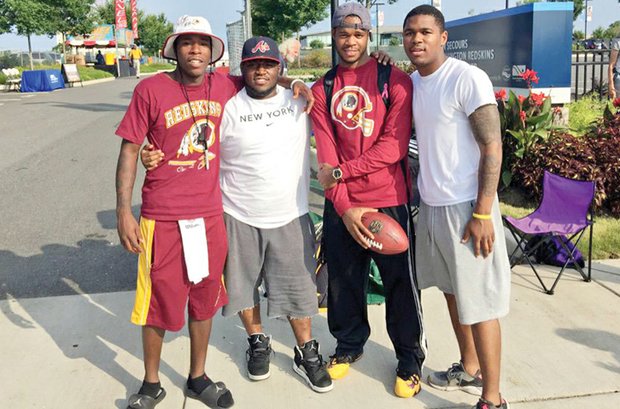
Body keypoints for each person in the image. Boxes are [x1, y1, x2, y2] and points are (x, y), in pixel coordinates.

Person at [142, 35, 333, 393]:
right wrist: (148, 153)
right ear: (241, 68)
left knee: (298, 290)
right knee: (243, 290)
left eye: (269, 64)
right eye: (253, 64)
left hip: (290, 214)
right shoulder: (227, 104)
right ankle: (257, 340)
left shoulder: (300, 102)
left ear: (280, 67)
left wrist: (299, 84)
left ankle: (306, 350)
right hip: (237, 213)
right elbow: (186, 139)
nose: (261, 70)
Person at [116, 15, 243, 409]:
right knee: (158, 300)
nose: (195, 50)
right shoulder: (151, 89)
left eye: (202, 43)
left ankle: (197, 376)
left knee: (204, 298)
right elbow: (130, 150)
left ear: (212, 51)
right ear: (174, 48)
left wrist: (297, 84)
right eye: (187, 43)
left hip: (208, 215)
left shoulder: (223, 84)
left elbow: (264, 78)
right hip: (162, 216)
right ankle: (151, 383)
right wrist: (124, 209)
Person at [309, 2, 426, 399]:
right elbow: (326, 156)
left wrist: (342, 173)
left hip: (388, 199)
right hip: (343, 205)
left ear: (369, 37)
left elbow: (393, 148)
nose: (351, 41)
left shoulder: (395, 80)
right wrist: (344, 206)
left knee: (400, 286)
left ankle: (409, 359)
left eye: (359, 34)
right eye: (344, 33)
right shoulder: (321, 88)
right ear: (334, 36)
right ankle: (348, 345)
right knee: (343, 282)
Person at [402, 5, 511, 409]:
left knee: (479, 303)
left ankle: (492, 398)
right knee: (452, 292)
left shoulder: (467, 78)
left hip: (468, 209)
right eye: (410, 32)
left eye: (426, 31)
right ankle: (469, 367)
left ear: (443, 37)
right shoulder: (413, 82)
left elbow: (492, 147)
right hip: (431, 205)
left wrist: (483, 212)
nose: (417, 39)